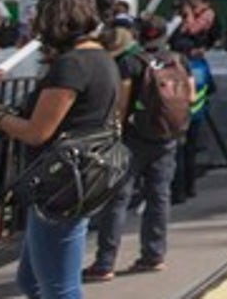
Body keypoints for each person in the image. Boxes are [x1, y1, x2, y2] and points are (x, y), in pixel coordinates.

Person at [0, 0, 120, 299]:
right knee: (32, 281)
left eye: (39, 20)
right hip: (80, 176)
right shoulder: (101, 58)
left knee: (60, 289)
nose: (36, 30)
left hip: (61, 185)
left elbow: (37, 132)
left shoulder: (72, 65)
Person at [86, 15, 193, 282]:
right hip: (166, 135)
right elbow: (189, 96)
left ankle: (105, 262)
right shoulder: (178, 60)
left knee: (117, 199)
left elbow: (121, 104)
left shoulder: (130, 62)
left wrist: (113, 133)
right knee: (159, 196)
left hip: (133, 137)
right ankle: (154, 255)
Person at [172, 44, 214, 204]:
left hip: (178, 115)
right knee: (191, 152)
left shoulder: (175, 67)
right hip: (197, 114)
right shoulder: (202, 66)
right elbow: (211, 88)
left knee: (178, 154)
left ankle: (178, 192)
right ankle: (191, 187)